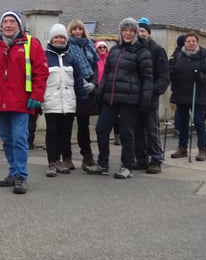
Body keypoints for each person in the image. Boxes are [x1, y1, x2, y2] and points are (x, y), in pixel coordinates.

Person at [0, 11, 49, 194]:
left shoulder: (31, 44)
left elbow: (41, 72)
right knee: (7, 140)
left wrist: (37, 96)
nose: (8, 25)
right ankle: (13, 171)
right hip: (0, 101)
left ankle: (21, 176)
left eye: (12, 22)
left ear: (19, 25)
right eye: (5, 22)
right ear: (2, 25)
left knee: (19, 139)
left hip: (21, 102)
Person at [94, 18, 152, 179]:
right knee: (101, 129)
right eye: (125, 30)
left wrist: (145, 100)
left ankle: (127, 166)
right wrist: (100, 92)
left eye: (131, 30)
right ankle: (103, 163)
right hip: (110, 98)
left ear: (135, 33)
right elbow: (107, 74)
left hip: (130, 100)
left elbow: (147, 79)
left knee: (126, 133)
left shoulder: (142, 52)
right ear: (120, 32)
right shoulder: (114, 50)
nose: (128, 33)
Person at [42, 23, 88, 177]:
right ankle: (52, 162)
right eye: (56, 37)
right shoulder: (44, 57)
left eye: (62, 37)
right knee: (52, 131)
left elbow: (78, 80)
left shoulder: (71, 57)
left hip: (68, 101)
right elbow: (39, 80)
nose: (59, 40)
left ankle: (61, 160)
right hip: (51, 101)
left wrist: (82, 99)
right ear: (51, 39)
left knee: (65, 132)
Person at [169, 32, 206, 161]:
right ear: (184, 43)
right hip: (181, 93)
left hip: (197, 94)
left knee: (199, 121)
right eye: (188, 41)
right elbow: (172, 70)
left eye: (193, 41)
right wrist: (171, 74)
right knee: (182, 122)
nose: (191, 43)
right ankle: (182, 147)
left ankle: (202, 149)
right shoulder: (178, 55)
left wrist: (200, 77)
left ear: (197, 42)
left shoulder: (204, 55)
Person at [133, 17, 170, 174]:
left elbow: (164, 76)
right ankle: (141, 158)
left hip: (150, 96)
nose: (141, 34)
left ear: (148, 33)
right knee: (137, 129)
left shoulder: (157, 50)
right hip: (135, 96)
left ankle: (156, 159)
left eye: (143, 31)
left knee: (152, 129)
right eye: (138, 31)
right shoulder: (133, 49)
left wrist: (154, 90)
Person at [66, 19, 99, 172]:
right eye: (74, 29)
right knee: (66, 126)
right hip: (73, 89)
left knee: (84, 126)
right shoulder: (68, 47)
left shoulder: (89, 45)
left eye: (80, 29)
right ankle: (66, 157)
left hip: (88, 91)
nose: (77, 32)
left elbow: (95, 67)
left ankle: (87, 155)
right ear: (70, 31)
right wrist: (80, 82)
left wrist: (93, 83)